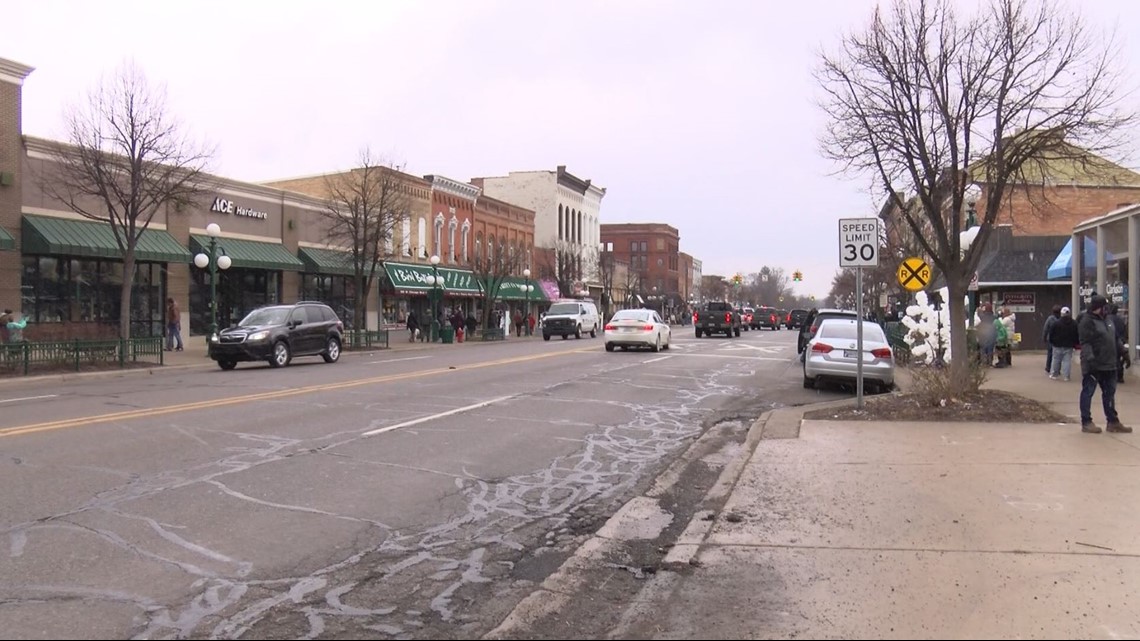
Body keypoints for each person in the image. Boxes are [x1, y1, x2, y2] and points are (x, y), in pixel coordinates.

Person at [1078, 295, 1130, 433]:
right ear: (1098, 308)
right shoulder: (1087, 321)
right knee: (1088, 392)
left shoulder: (1108, 320)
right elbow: (1085, 342)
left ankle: (1113, 421)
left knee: (1109, 393)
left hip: (1110, 363)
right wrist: (1091, 359)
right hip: (1094, 365)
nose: (1106, 309)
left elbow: (1115, 338)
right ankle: (1086, 421)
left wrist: (1124, 352)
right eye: (1104, 307)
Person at [1048, 307, 1078, 382]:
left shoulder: (1056, 323)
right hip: (1069, 345)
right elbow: (1076, 334)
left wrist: (1052, 341)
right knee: (1067, 361)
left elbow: (1051, 333)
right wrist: (1075, 343)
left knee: (1056, 359)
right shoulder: (1074, 323)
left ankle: (1054, 374)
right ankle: (1066, 376)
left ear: (1061, 314)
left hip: (1057, 344)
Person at [1107, 304, 1130, 383]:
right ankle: (1119, 375)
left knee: (1113, 359)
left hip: (1111, 341)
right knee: (1118, 359)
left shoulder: (1108, 319)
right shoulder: (1120, 320)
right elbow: (1124, 330)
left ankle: (1114, 376)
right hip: (1120, 341)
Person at [1042, 305, 1062, 376]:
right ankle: (1057, 369)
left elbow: (1045, 329)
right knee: (1058, 355)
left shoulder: (1050, 319)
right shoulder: (1061, 319)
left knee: (1050, 354)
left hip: (1051, 339)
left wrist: (1044, 337)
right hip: (1059, 339)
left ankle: (1048, 367)